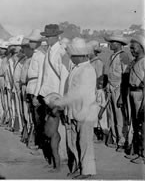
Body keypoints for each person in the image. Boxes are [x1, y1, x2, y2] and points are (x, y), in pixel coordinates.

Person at [46, 38, 99, 179]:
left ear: (79, 55)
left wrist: (60, 103)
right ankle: (78, 166)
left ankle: (87, 171)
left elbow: (79, 94)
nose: (70, 58)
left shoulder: (87, 70)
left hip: (84, 112)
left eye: (72, 56)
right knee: (73, 142)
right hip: (74, 111)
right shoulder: (77, 69)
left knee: (85, 143)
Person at [34, 24, 71, 172]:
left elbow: (64, 77)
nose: (47, 39)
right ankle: (52, 158)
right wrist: (38, 94)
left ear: (57, 37)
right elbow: (43, 75)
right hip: (46, 96)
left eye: (49, 37)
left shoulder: (61, 52)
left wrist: (61, 99)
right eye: (46, 36)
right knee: (49, 129)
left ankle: (60, 160)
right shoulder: (48, 51)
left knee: (57, 130)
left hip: (56, 97)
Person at [103, 34, 131, 152]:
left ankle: (122, 141)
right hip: (110, 88)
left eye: (112, 42)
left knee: (120, 117)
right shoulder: (112, 56)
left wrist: (121, 95)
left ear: (119, 44)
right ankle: (115, 139)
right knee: (112, 116)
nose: (110, 44)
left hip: (118, 88)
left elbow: (125, 76)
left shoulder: (123, 56)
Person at [126, 36, 145, 164]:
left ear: (141, 47)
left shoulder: (144, 62)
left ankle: (143, 155)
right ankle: (137, 150)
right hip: (132, 93)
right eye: (131, 48)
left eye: (134, 48)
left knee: (142, 124)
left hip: (141, 95)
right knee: (134, 124)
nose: (132, 50)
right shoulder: (134, 61)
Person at [24, 30, 45, 152]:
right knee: (34, 117)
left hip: (36, 86)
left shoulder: (40, 56)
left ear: (37, 42)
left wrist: (36, 94)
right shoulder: (35, 55)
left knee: (38, 118)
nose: (30, 43)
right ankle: (37, 141)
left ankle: (40, 143)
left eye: (33, 41)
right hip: (31, 86)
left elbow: (41, 76)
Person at [88, 41, 107, 143]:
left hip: (96, 90)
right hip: (91, 89)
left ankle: (100, 135)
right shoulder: (90, 62)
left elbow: (100, 78)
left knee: (98, 113)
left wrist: (98, 91)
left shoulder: (98, 62)